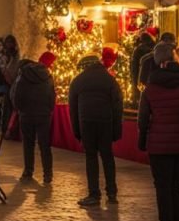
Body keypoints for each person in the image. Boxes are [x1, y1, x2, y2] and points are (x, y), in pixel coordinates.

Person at [139, 41, 179, 221]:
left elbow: (143, 119)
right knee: (177, 186)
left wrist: (142, 141)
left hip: (159, 145)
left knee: (163, 187)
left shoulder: (150, 88)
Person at [69, 52, 124, 207]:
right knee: (108, 157)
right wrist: (116, 129)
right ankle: (112, 192)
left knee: (91, 157)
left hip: (86, 123)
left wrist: (77, 131)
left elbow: (72, 109)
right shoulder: (110, 80)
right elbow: (117, 105)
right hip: (106, 122)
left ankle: (94, 194)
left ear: (84, 67)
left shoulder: (78, 81)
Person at [11, 52, 56, 184]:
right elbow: (52, 96)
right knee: (44, 145)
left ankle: (28, 171)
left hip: (26, 114)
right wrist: (48, 110)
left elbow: (17, 94)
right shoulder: (48, 76)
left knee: (28, 144)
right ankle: (48, 174)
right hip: (43, 115)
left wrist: (20, 109)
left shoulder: (23, 76)